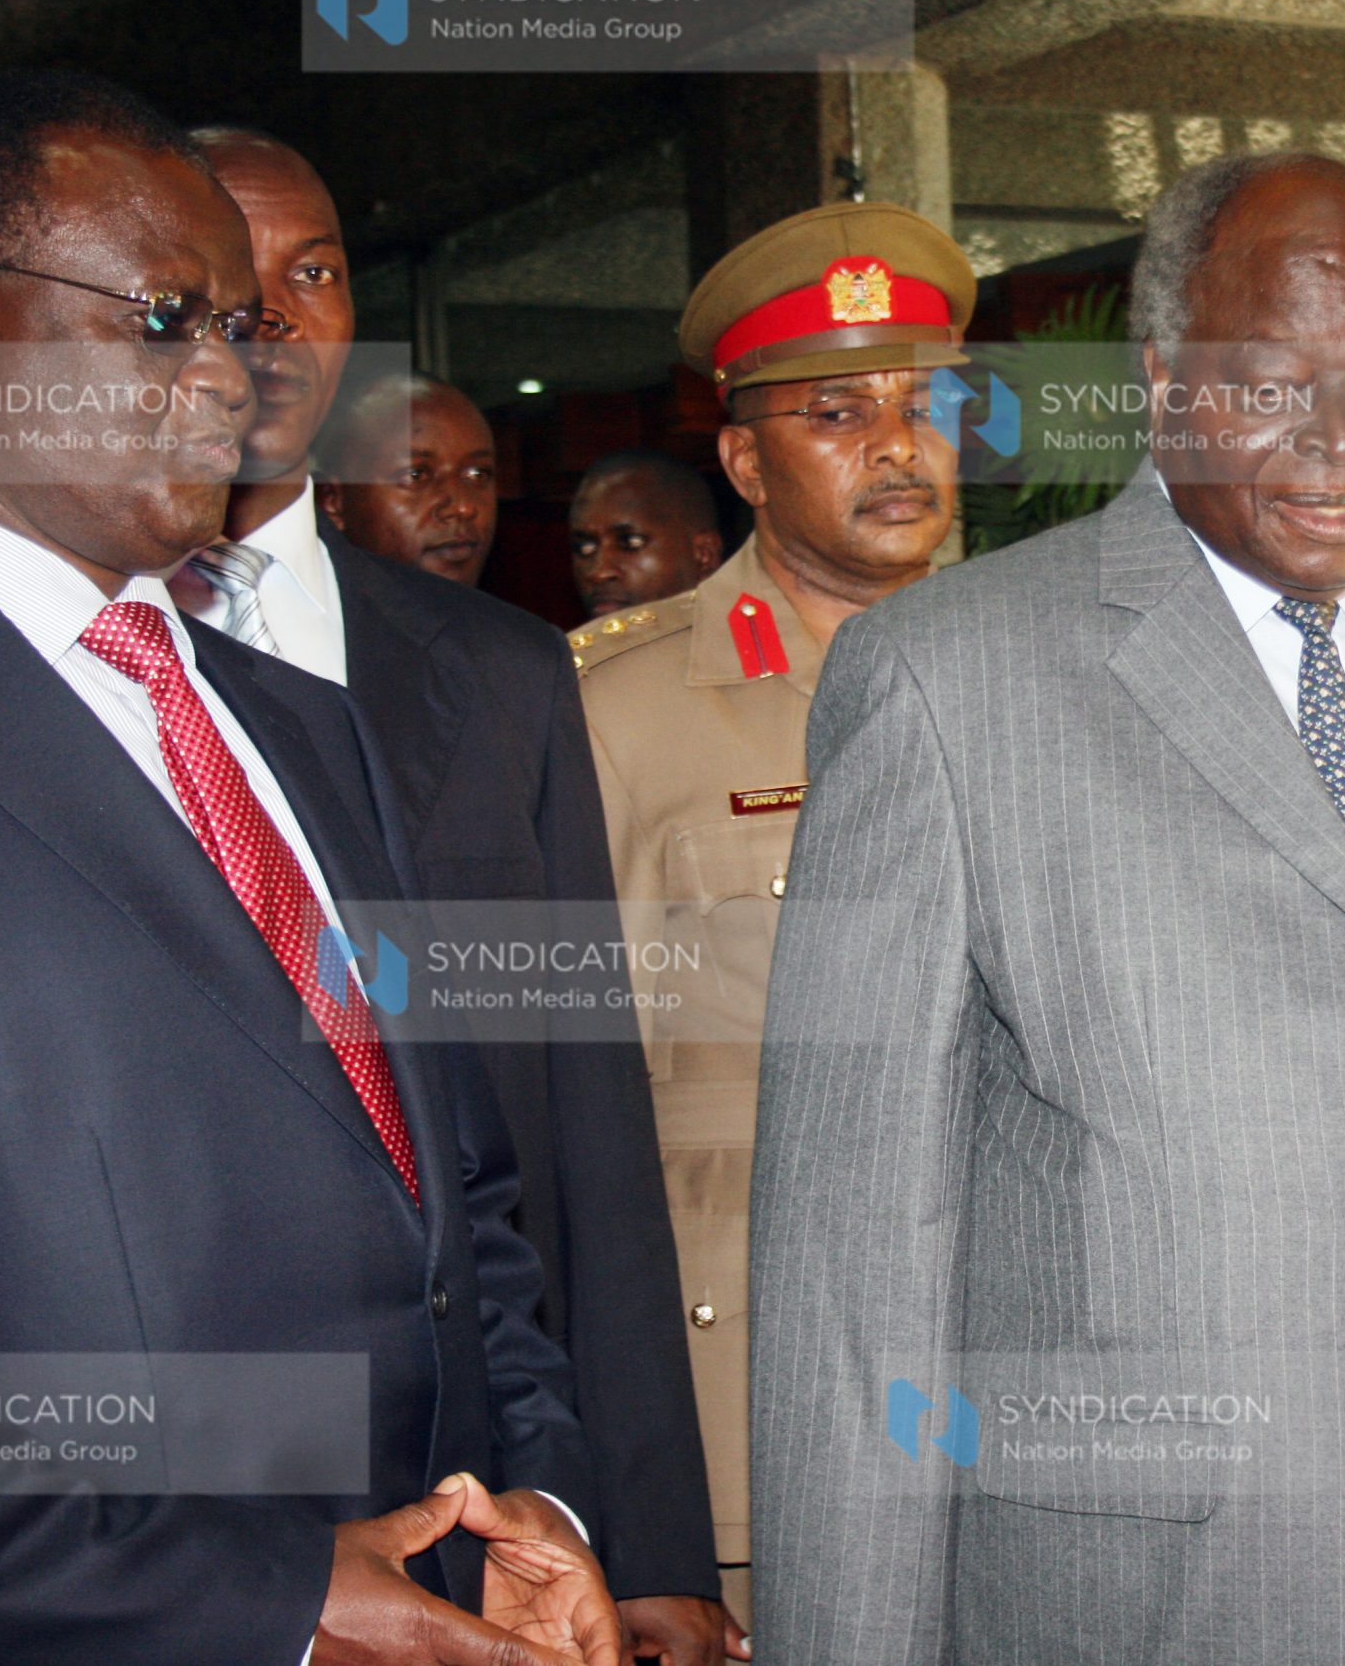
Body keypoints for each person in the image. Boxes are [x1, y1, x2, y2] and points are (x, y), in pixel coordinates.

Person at [746, 150, 1345, 1666]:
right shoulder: (954, 684)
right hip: (1158, 1602)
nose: (1341, 440)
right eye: (1272, 379)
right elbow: (852, 1278)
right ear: (1161, 380)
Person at [0, 71, 616, 1665]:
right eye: (167, 318)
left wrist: (533, 1507)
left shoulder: (303, 728)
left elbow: (463, 1205)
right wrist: (259, 1598)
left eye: (251, 319)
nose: (237, 373)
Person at [181, 125, 739, 1666]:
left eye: (317, 274)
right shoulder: (62, 665)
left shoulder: (495, 674)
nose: (278, 323)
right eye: (230, 280)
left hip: (499, 1481)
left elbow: (588, 1118)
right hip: (190, 1496)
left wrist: (645, 1529)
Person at [574, 198, 969, 1634]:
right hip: (753, 1432)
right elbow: (561, 1128)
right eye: (839, 410)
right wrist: (630, 1502)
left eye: (925, 404)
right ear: (744, 457)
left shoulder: (1047, 682)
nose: (899, 443)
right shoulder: (615, 712)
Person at [318, 372, 499, 586]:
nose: (463, 507)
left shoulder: (510, 619)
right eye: (416, 476)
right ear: (333, 502)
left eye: (478, 474)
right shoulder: (288, 617)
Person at [569, 450, 726, 620]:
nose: (599, 572)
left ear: (704, 555)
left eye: (631, 543)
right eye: (585, 548)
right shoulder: (560, 645)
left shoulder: (745, 643)